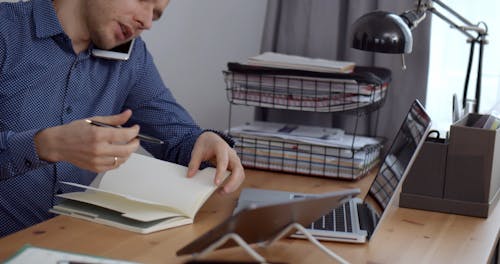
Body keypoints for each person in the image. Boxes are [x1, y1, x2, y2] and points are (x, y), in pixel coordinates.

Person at [0, 0, 245, 237]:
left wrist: (207, 143)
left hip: (72, 241)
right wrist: (45, 145)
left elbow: (179, 138)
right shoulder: (6, 29)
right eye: (142, 0)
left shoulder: (132, 56)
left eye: (156, 14)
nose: (147, 21)